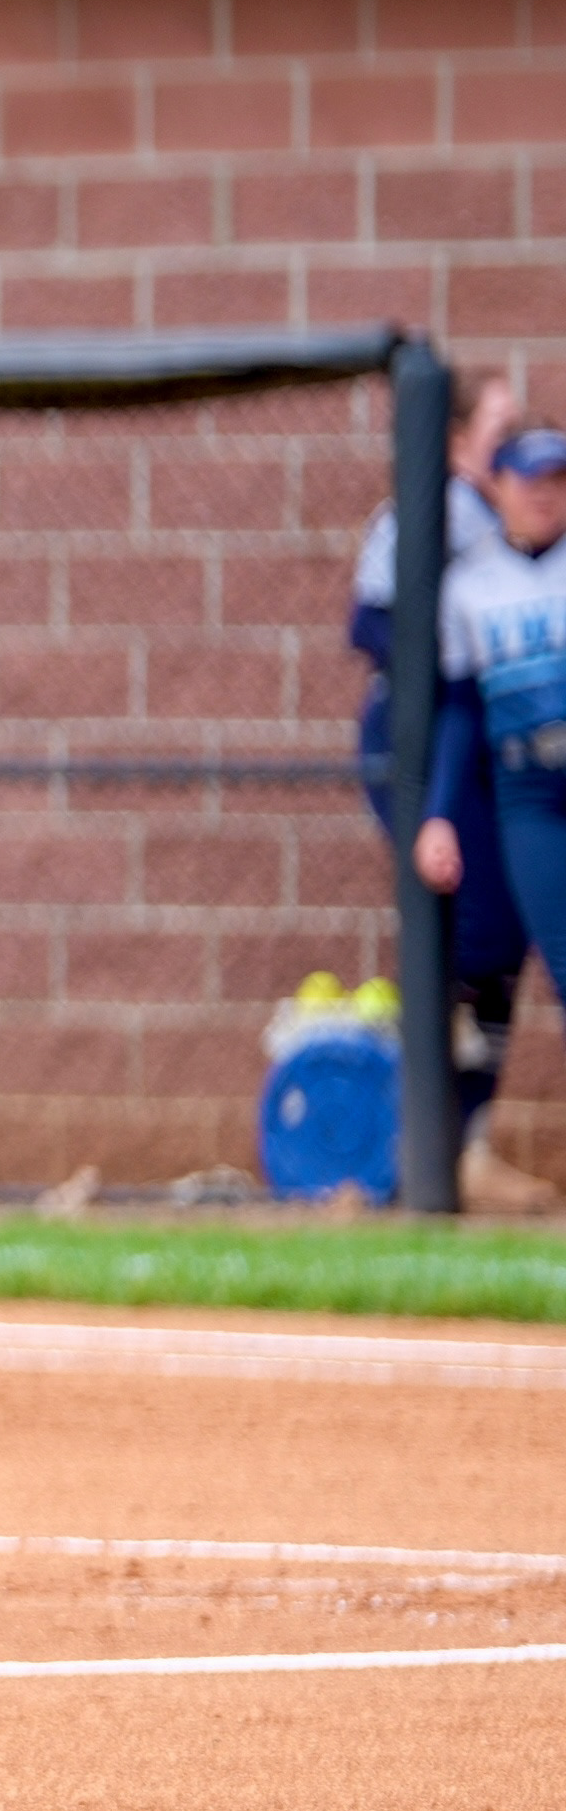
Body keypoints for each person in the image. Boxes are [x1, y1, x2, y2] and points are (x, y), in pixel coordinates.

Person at [352, 366, 554, 1212]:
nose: (506, 444)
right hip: (422, 748)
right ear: (460, 440)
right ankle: (421, 1153)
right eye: (494, 428)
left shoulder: (513, 519)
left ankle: (459, 1147)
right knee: (468, 938)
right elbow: (371, 627)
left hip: (488, 760)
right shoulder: (425, 513)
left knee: (497, 947)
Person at [420, 432, 566, 1110]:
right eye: (531, 479)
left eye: (558, 481)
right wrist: (439, 814)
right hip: (526, 786)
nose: (545, 494)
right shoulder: (470, 583)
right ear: (499, 485)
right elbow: (459, 709)